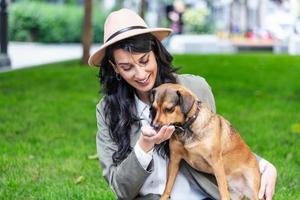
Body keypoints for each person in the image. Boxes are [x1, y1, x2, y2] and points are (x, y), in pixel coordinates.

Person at [89, 8, 277, 200]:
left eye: (144, 61)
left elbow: (215, 142)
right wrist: (144, 147)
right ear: (115, 68)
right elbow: (121, 190)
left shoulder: (194, 89)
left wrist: (263, 166)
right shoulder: (107, 112)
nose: (140, 74)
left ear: (154, 50)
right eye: (127, 67)